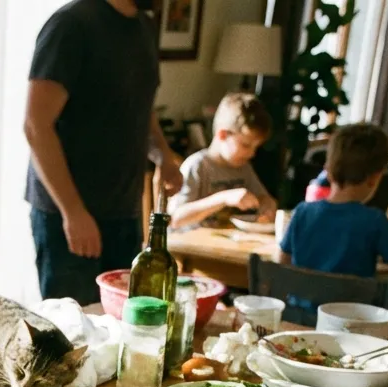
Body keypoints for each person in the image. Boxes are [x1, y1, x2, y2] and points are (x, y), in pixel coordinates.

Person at [24, 0, 183, 306]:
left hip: (123, 212)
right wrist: (73, 212)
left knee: (123, 326)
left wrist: (163, 154)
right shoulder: (71, 24)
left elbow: (141, 106)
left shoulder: (144, 27)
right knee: (74, 332)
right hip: (69, 215)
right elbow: (36, 126)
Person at [277, 123, 388, 282]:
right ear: (375, 177)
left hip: (299, 307)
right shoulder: (374, 221)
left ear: (328, 171)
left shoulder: (302, 212)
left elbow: (282, 262)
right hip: (353, 307)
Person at [168, 92, 276, 230]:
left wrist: (267, 206)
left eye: (256, 147)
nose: (252, 153)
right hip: (189, 246)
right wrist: (223, 198)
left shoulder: (244, 168)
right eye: (246, 145)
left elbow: (264, 198)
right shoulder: (197, 166)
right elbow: (175, 218)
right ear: (223, 135)